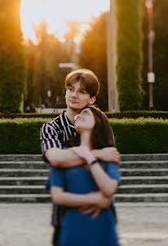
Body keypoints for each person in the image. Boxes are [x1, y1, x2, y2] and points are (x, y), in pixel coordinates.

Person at [41, 69, 120, 244]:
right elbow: (56, 158)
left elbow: (110, 166)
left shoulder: (98, 126)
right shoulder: (51, 128)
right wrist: (96, 153)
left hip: (101, 211)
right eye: (70, 89)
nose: (74, 95)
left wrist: (100, 200)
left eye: (82, 91)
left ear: (92, 99)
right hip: (66, 215)